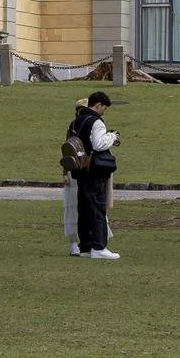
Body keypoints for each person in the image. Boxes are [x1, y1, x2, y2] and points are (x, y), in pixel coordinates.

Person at [70, 91, 121, 259]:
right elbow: (98, 144)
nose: (103, 111)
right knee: (97, 206)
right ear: (98, 105)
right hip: (94, 169)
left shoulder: (76, 121)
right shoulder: (96, 122)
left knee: (83, 208)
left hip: (79, 169)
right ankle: (99, 246)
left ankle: (85, 246)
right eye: (103, 108)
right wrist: (112, 137)